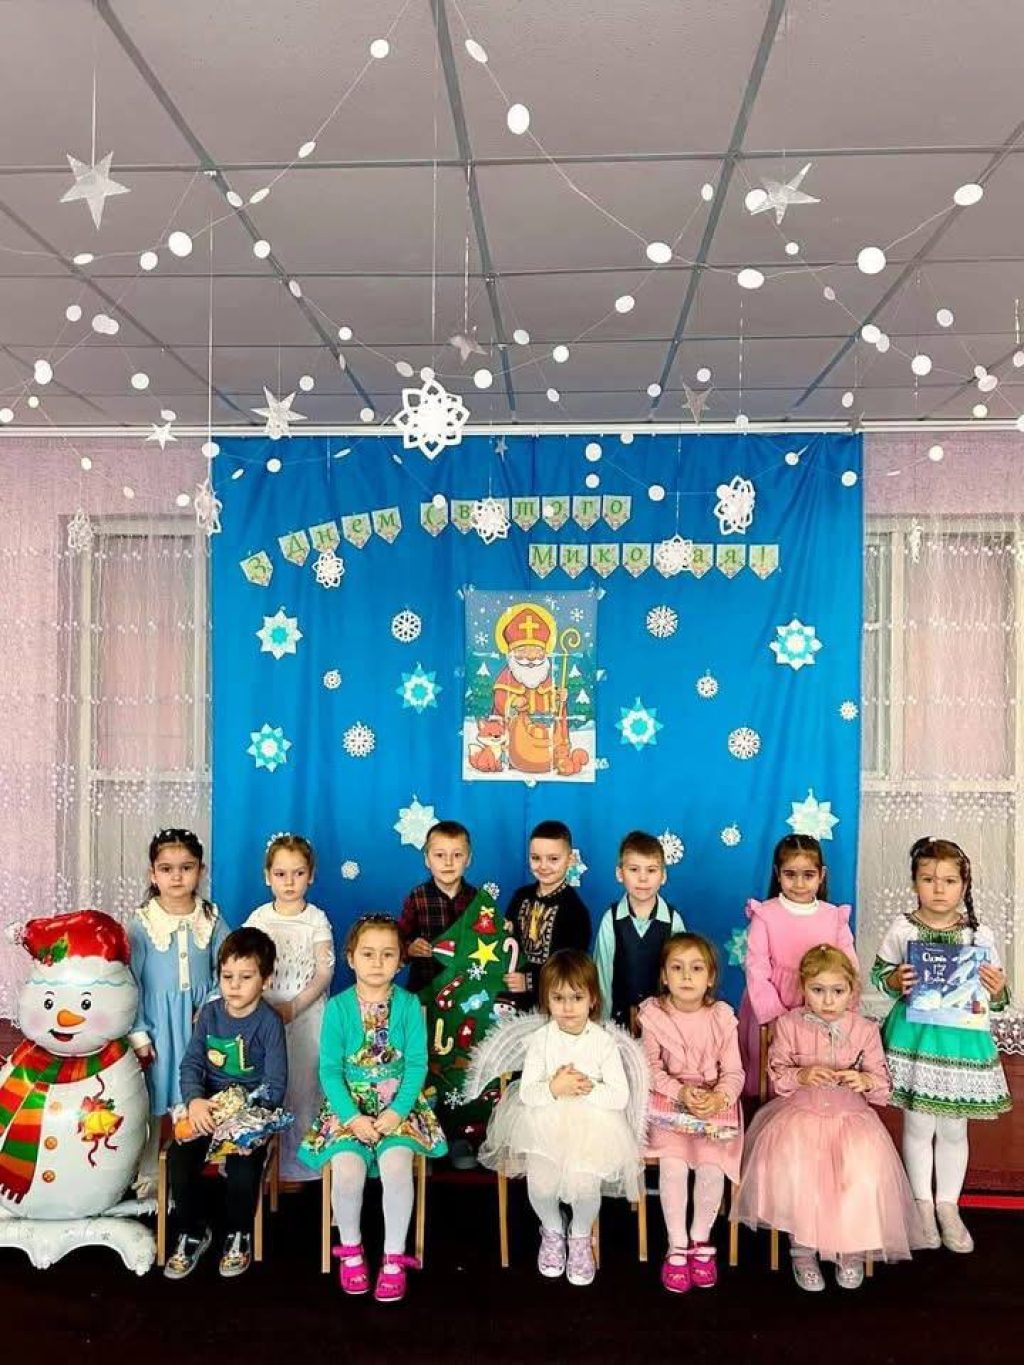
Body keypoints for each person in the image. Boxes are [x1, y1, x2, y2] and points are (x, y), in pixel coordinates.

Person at [733, 945, 923, 1291]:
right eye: (818, 990)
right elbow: (778, 1073)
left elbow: (882, 1083)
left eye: (838, 991)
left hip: (851, 1118)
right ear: (804, 988)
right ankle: (803, 1250)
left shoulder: (864, 1029)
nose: (828, 1000)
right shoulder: (789, 1024)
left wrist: (863, 1081)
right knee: (799, 1171)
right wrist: (802, 1075)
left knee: (860, 1172)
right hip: (800, 1116)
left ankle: (849, 1250)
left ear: (852, 990)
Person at [870, 837, 1011, 1254]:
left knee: (953, 1128)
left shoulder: (979, 934)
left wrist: (997, 988)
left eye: (949, 881)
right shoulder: (903, 929)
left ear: (964, 886)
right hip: (915, 1039)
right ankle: (922, 1205)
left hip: (962, 1043)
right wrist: (895, 980)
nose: (938, 888)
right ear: (914, 882)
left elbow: (997, 996)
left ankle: (948, 1205)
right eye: (928, 879)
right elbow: (880, 974)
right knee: (918, 1125)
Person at [298, 915, 447, 1304]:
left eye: (387, 954)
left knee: (397, 1167)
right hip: (349, 1107)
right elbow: (329, 1070)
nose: (377, 962)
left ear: (400, 961)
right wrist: (352, 1117)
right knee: (348, 1172)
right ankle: (351, 1250)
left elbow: (416, 1065)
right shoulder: (338, 1008)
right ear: (350, 958)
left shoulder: (409, 1005)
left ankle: (394, 1258)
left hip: (398, 1107)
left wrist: (397, 1112)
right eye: (368, 954)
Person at [479, 950, 642, 1287]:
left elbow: (619, 1096)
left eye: (577, 998)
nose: (568, 1007)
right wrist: (554, 1088)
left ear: (592, 999)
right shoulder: (541, 1040)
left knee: (586, 1189)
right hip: (544, 1124)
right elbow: (528, 1093)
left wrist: (585, 1088)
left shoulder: (604, 1043)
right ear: (547, 1000)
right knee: (540, 1187)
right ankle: (552, 1227)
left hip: (592, 1127)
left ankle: (580, 1234)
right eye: (558, 998)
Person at [164, 927, 287, 1281]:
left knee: (243, 1166)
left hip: (250, 1113)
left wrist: (251, 1121)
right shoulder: (209, 1014)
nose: (234, 985)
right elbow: (191, 1064)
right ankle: (193, 1232)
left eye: (245, 977)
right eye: (227, 976)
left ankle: (238, 1233)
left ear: (266, 979)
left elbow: (276, 1084)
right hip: (209, 1108)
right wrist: (195, 1101)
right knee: (179, 1160)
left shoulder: (269, 1022)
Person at [638, 933, 743, 1293]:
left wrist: (719, 1098)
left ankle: (700, 1238)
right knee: (674, 1166)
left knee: (711, 1166)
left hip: (713, 1103)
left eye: (697, 969)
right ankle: (677, 1244)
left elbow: (734, 1073)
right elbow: (650, 1068)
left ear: (710, 978)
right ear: (664, 976)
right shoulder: (654, 1015)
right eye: (677, 968)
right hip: (668, 1100)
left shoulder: (721, 1017)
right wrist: (680, 1091)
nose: (686, 976)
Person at [127, 828, 229, 1191]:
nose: (176, 876)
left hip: (198, 1023)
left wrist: (211, 1004)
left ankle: (195, 1171)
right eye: (166, 869)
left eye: (186, 868)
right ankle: (150, 1173)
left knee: (198, 1092)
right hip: (158, 1025)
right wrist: (139, 1033)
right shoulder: (142, 923)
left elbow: (228, 965)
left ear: (200, 871)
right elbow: (130, 981)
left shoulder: (210, 917)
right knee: (157, 1095)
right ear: (153, 874)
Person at [245, 833, 335, 1183]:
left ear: (310, 876)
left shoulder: (315, 919)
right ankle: (265, 1164)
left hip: (306, 1014)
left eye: (298, 873)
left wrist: (294, 1007)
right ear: (267, 876)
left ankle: (304, 1166)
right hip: (265, 1016)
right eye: (280, 874)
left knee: (304, 1085)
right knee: (268, 1086)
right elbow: (246, 964)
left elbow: (324, 971)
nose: (289, 882)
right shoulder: (259, 918)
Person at [737, 834, 857, 1095]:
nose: (799, 883)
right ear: (777, 874)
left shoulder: (833, 916)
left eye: (808, 875)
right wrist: (775, 1017)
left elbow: (850, 968)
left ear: (821, 875)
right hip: (774, 1004)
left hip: (822, 1004)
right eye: (790, 874)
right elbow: (757, 969)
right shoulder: (765, 914)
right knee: (775, 1068)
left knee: (816, 1068)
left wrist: (846, 1008)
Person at [594, 831, 685, 1026]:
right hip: (618, 1022)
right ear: (620, 874)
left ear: (663, 876)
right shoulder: (611, 920)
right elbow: (602, 976)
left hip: (663, 1024)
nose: (643, 878)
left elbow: (681, 976)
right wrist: (603, 1026)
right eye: (634, 869)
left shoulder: (673, 921)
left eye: (651, 870)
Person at [503, 820, 592, 1012]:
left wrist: (529, 981)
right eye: (536, 858)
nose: (543, 866)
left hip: (554, 1004)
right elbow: (506, 944)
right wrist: (502, 932)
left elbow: (572, 967)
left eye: (553, 859)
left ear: (570, 860)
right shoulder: (520, 896)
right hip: (511, 999)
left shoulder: (575, 911)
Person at [398, 820, 478, 996]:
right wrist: (410, 948)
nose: (448, 862)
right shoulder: (417, 897)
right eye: (439, 855)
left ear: (468, 859)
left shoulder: (477, 899)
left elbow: (489, 941)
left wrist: (503, 929)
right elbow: (399, 941)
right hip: (425, 988)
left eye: (457, 855)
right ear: (427, 859)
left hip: (466, 991)